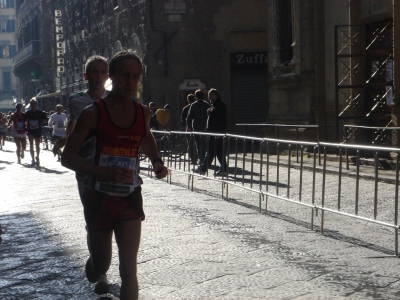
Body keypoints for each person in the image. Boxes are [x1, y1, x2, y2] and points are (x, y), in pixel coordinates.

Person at [61, 50, 168, 300]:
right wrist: (104, 172)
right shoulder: (93, 112)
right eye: (125, 76)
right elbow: (68, 157)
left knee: (128, 268)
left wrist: (157, 161)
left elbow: (146, 136)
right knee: (102, 265)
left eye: (135, 77)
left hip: (129, 194)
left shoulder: (142, 112)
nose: (130, 83)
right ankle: (94, 265)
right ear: (113, 78)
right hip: (97, 196)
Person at [52, 55, 110, 294]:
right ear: (86, 76)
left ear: (108, 76)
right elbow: (74, 125)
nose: (98, 76)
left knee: (114, 218)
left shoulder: (115, 100)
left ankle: (100, 264)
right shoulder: (75, 100)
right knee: (93, 218)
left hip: (112, 167)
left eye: (103, 72)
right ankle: (101, 271)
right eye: (94, 72)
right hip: (85, 167)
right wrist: (65, 140)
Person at [198, 88, 228, 176]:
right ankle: (223, 169)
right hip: (213, 132)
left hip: (216, 133)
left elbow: (220, 120)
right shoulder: (215, 105)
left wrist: (219, 132)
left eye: (210, 96)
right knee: (219, 152)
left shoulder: (220, 105)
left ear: (215, 95)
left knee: (210, 151)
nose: (209, 98)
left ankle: (203, 169)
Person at [186, 89, 210, 167]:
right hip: (206, 128)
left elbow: (189, 117)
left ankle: (202, 160)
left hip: (196, 128)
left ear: (196, 97)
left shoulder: (194, 105)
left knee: (199, 145)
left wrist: (189, 126)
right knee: (206, 145)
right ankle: (207, 160)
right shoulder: (207, 105)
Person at [23, 98, 48, 166]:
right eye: (31, 104)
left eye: (34, 104)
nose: (32, 106)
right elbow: (24, 121)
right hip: (30, 130)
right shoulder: (27, 113)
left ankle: (37, 157)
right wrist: (26, 125)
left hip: (38, 130)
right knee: (31, 145)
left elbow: (46, 120)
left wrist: (42, 120)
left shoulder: (40, 113)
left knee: (37, 145)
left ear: (36, 105)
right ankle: (33, 159)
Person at [181, 94, 197, 164]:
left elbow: (182, 119)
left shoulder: (185, 108)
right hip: (197, 128)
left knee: (190, 144)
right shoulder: (197, 107)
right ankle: (199, 158)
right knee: (198, 144)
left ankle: (193, 159)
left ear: (188, 100)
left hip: (188, 129)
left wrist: (187, 125)